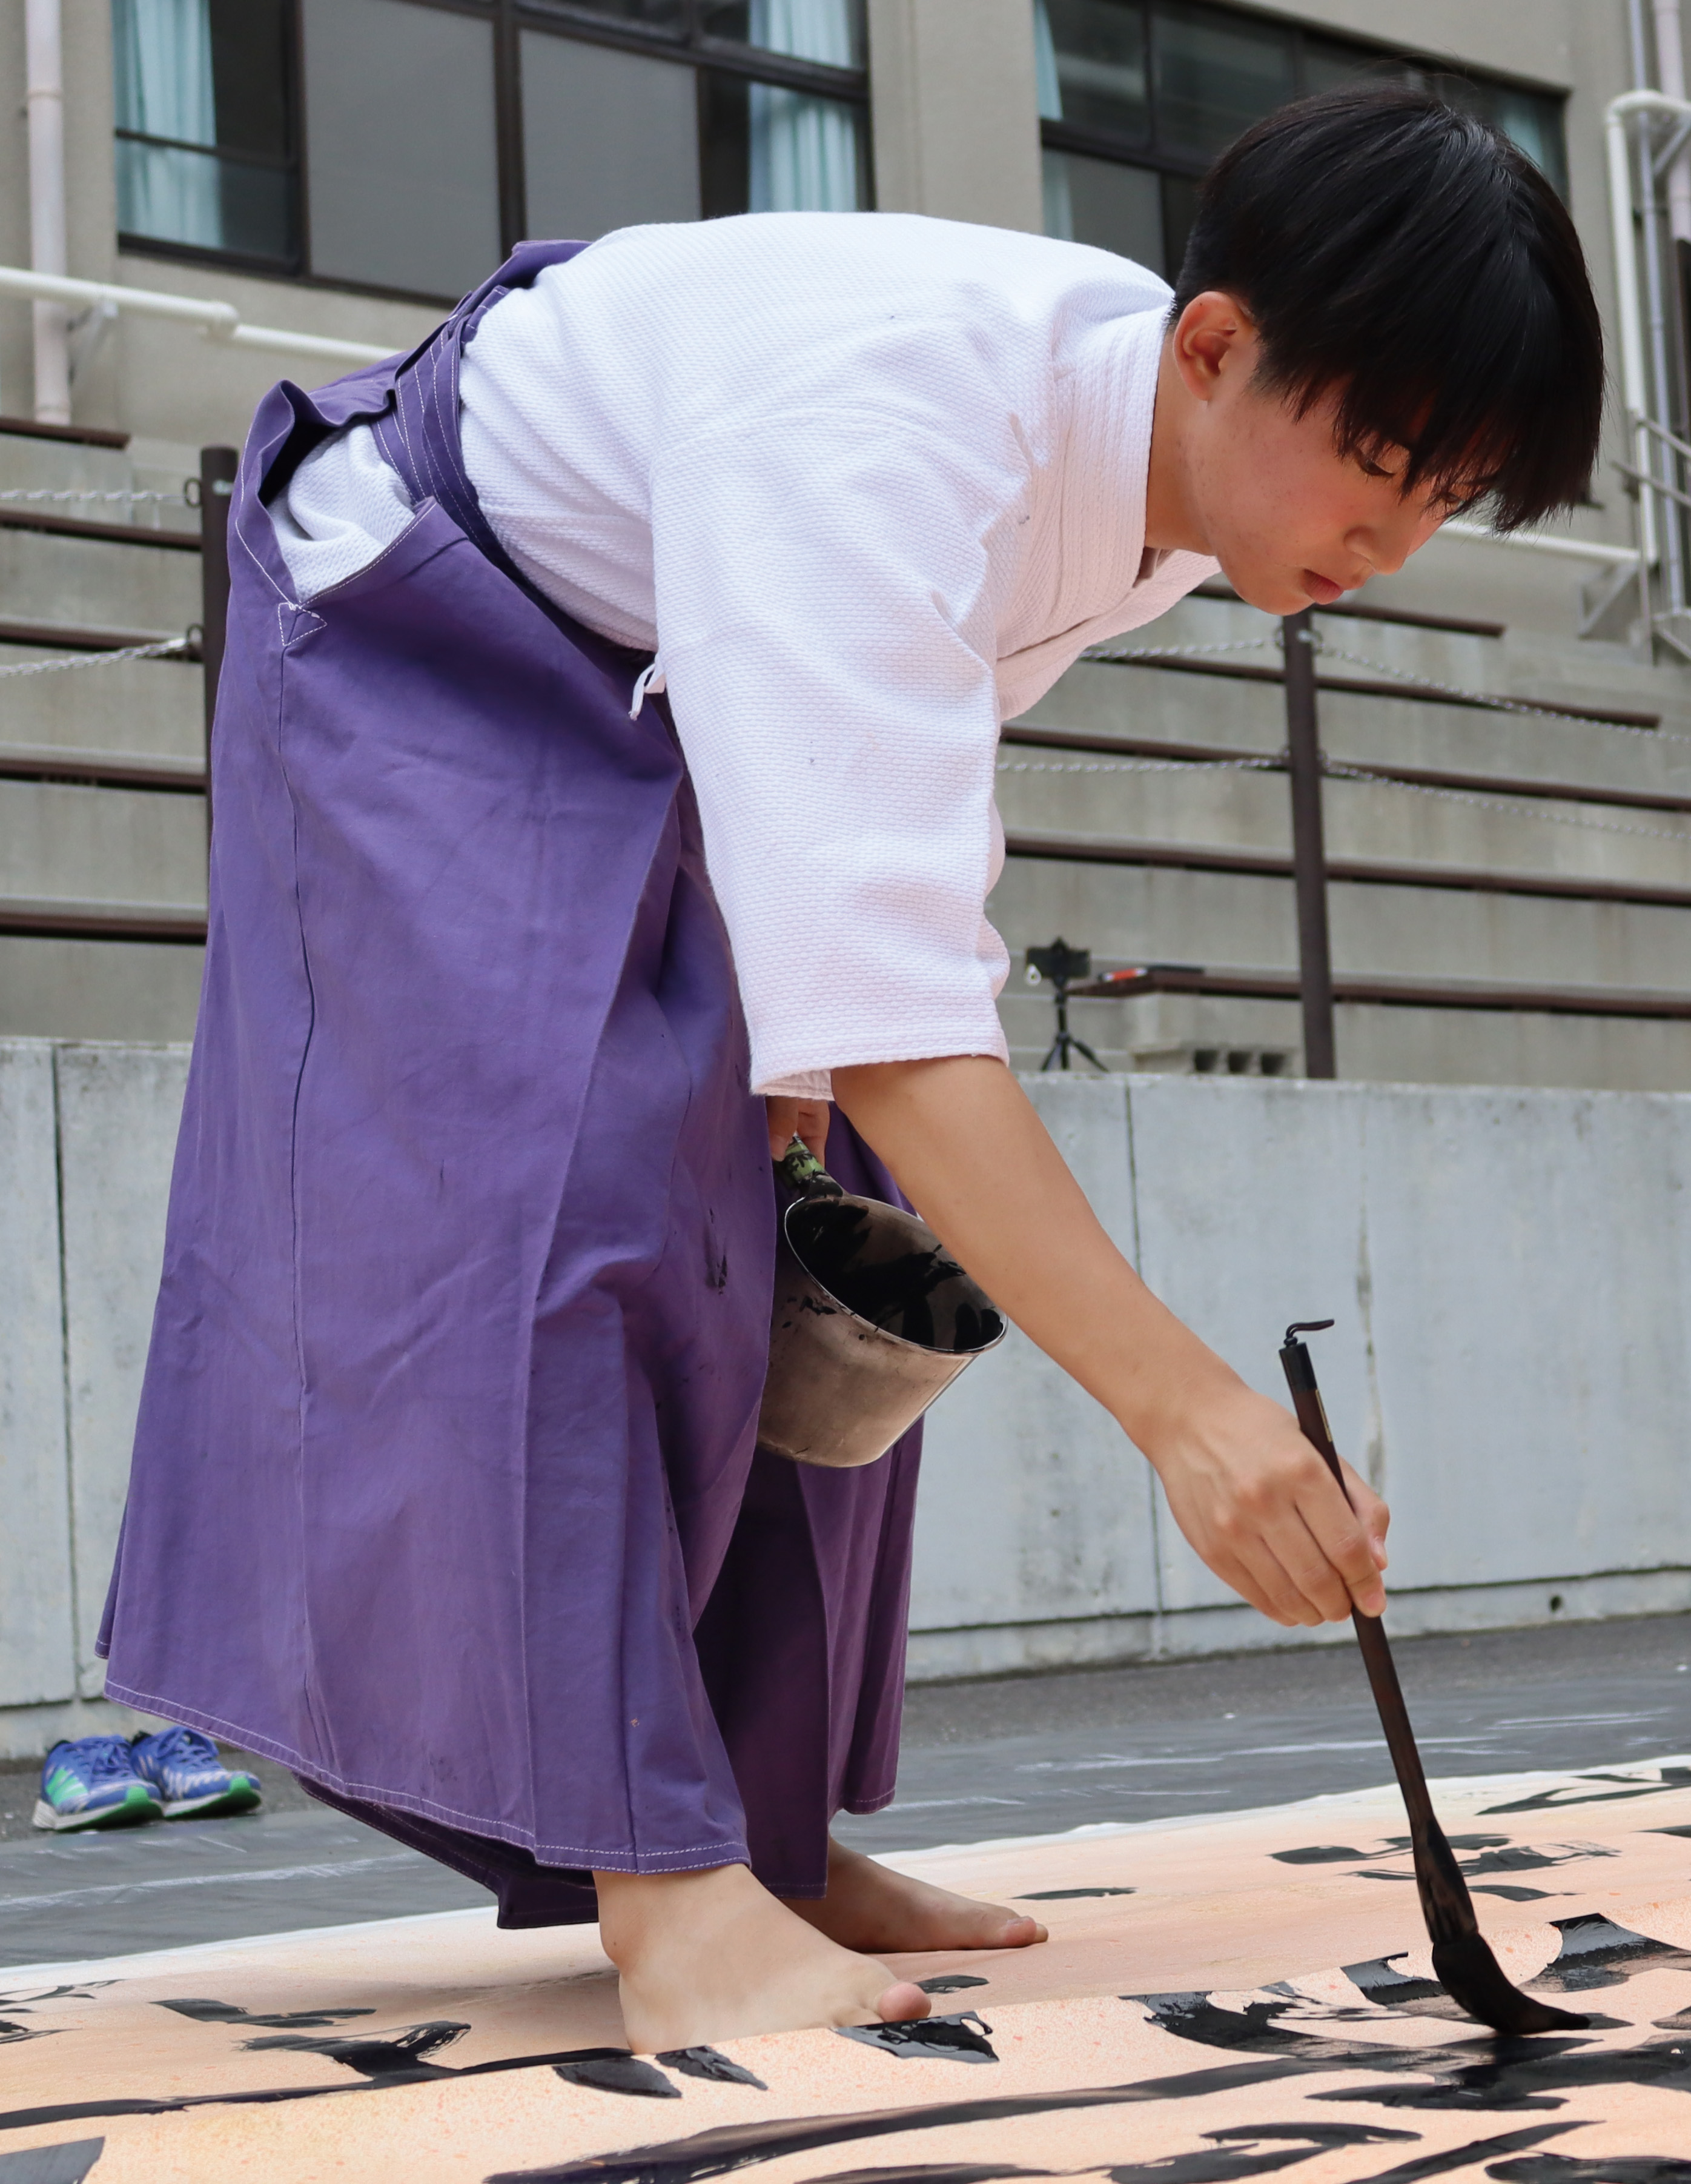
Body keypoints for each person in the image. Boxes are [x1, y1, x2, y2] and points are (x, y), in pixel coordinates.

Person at [98, 85, 1603, 2053]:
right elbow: (900, 1012)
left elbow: (886, 808)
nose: (1392, 544)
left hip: (673, 664)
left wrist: (791, 1053)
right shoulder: (893, 424)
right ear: (1220, 345)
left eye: (1442, 501)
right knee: (581, 1197)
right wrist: (1195, 1415)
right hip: (431, 607)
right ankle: (666, 1885)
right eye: (1383, 469)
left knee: (828, 1241)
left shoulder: (1162, 487)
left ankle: (770, 1835)